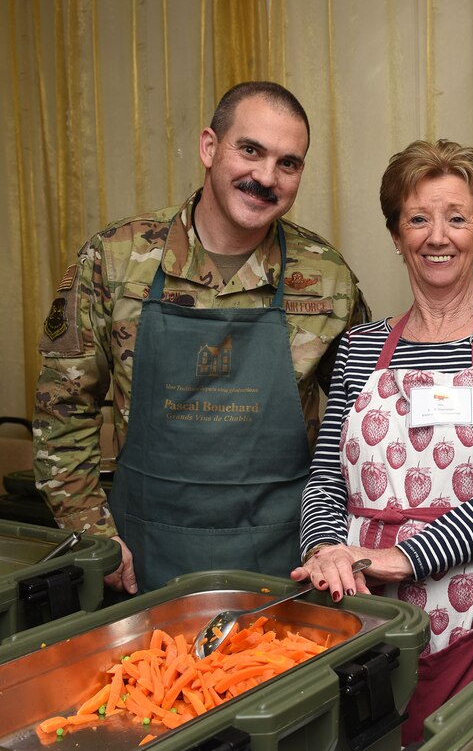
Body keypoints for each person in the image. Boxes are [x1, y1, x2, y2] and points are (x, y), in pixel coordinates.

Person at [34, 81, 369, 594]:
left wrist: (336, 544)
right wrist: (92, 537)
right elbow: (63, 411)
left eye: (288, 163)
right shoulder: (117, 259)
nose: (265, 177)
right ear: (209, 147)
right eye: (250, 150)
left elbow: (363, 421)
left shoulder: (325, 277)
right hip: (140, 557)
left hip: (286, 562)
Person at [294, 139, 473, 743]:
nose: (437, 236)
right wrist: (325, 553)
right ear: (396, 235)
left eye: (457, 218)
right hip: (361, 615)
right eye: (418, 218)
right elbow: (326, 478)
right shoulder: (361, 345)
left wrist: (406, 558)